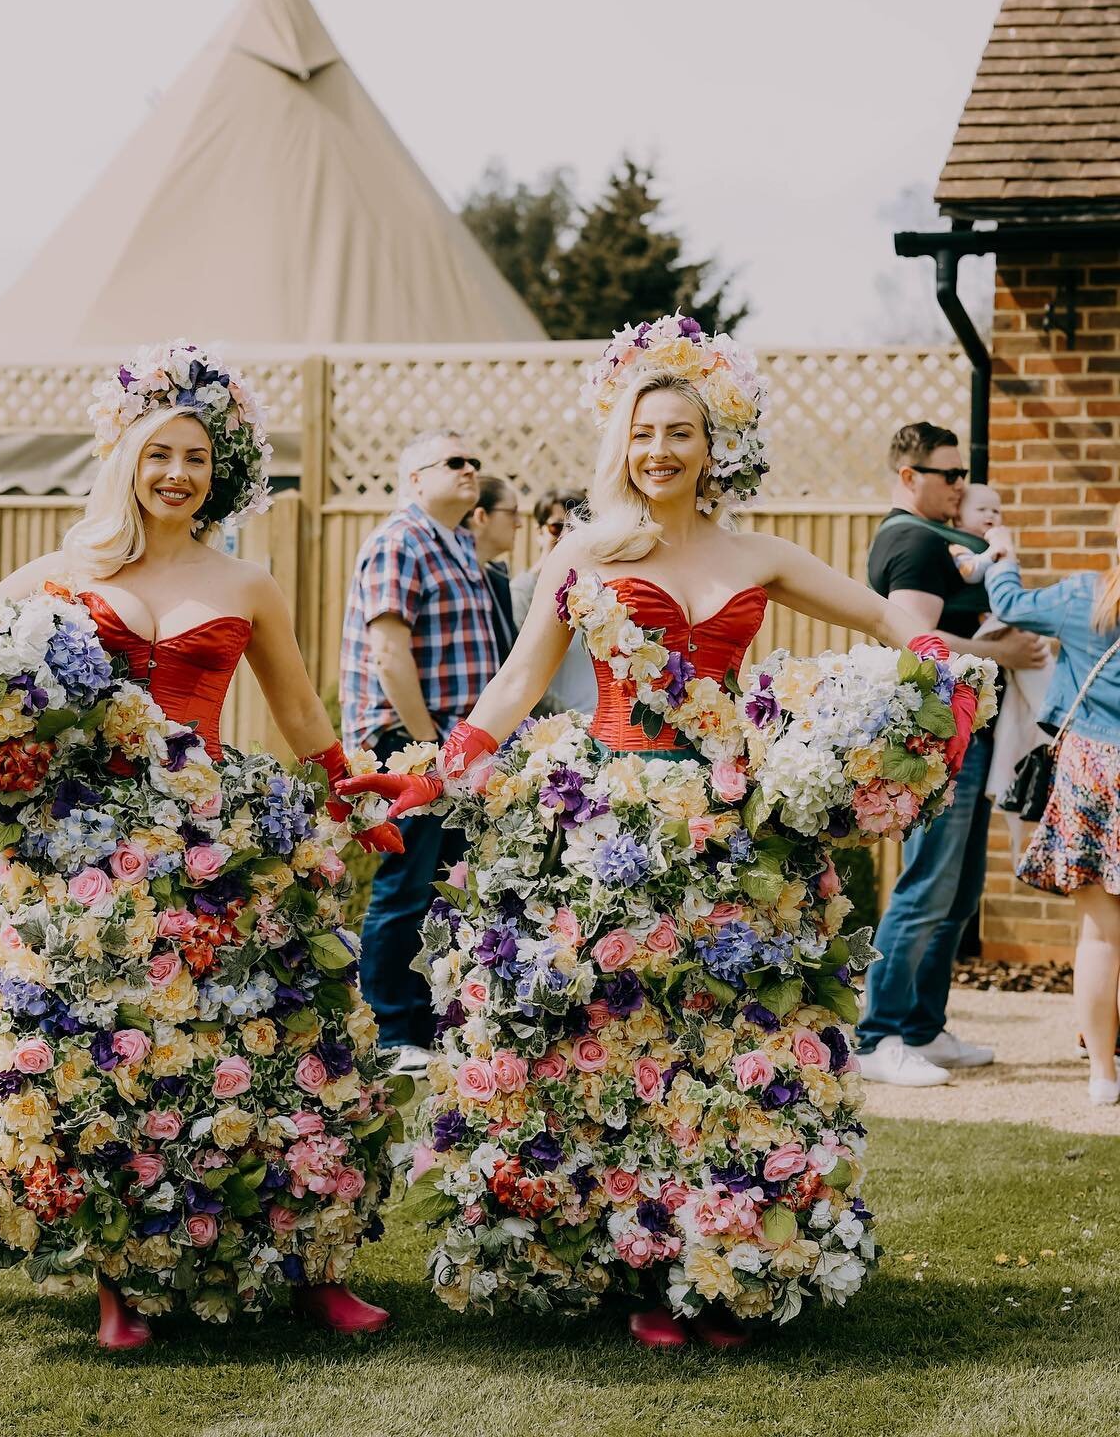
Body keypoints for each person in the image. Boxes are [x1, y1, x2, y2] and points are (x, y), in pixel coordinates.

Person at [339, 315, 984, 1347]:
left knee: (728, 1047)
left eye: (680, 432)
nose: (660, 451)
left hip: (735, 827)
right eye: (644, 433)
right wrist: (439, 771)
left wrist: (946, 674)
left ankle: (721, 1265)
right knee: (618, 1044)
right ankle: (631, 1271)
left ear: (713, 444)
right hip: (606, 822)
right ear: (621, 443)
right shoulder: (585, 550)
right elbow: (517, 682)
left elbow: (881, 617)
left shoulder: (760, 552)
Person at [0, 342, 402, 1347]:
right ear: (124, 457)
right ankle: (120, 1283)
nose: (177, 473)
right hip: (85, 852)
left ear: (221, 471)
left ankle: (312, 1269)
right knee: (107, 1063)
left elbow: (296, 710)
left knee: (284, 1047)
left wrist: (353, 789)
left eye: (196, 457)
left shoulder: (250, 582)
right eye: (160, 453)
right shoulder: (67, 573)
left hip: (216, 839)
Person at [855, 426, 1048, 1086]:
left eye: (963, 472)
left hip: (969, 732)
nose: (961, 484)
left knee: (961, 887)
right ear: (908, 477)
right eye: (948, 474)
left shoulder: (934, 538)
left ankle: (921, 1027)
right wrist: (1007, 654)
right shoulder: (913, 540)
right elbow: (915, 642)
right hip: (936, 737)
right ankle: (877, 1035)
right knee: (927, 884)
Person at [339, 430, 499, 1073]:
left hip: (455, 748)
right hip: (407, 743)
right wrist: (424, 747)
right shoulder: (399, 541)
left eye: (475, 462)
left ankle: (434, 1023)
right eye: (454, 462)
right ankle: (390, 1030)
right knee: (407, 887)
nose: (471, 470)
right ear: (413, 480)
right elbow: (388, 654)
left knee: (448, 886)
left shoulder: (458, 544)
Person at [983, 513, 1120, 1106]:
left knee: (1101, 935)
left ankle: (1101, 1074)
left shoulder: (1089, 595)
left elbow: (1010, 603)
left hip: (1092, 767)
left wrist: (1001, 554)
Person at [510, 487, 596, 717]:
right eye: (556, 527)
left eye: (578, 526)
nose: (567, 536)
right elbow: (521, 672)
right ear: (538, 532)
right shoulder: (524, 591)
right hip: (557, 728)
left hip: (604, 726)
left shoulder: (599, 588)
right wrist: (567, 720)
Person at [463, 473, 520, 661]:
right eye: (512, 513)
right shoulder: (454, 582)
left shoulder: (497, 580)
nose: (519, 523)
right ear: (481, 516)